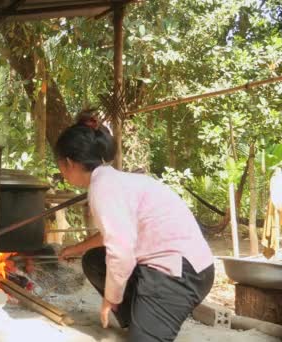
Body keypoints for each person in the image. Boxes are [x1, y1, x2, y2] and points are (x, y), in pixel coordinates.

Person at [56, 117, 214, 341]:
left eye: (60, 166)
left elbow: (121, 251)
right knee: (94, 260)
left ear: (69, 163)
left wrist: (111, 298)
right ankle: (142, 318)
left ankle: (148, 326)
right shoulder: (114, 180)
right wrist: (76, 248)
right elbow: (115, 234)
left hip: (180, 272)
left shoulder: (102, 189)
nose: (62, 171)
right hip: (185, 265)